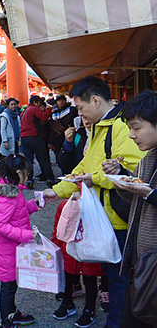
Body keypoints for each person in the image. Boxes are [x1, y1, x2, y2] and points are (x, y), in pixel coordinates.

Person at [43, 76, 146, 328]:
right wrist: (56, 191)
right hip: (106, 216)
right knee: (114, 278)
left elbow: (133, 170)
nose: (80, 113)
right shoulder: (103, 126)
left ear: (96, 100)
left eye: (80, 107)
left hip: (120, 218)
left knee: (120, 280)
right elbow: (83, 168)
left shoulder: (120, 125)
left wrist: (94, 178)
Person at [104, 90, 157, 327]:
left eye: (136, 128)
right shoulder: (149, 157)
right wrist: (122, 176)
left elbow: (148, 193)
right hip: (143, 260)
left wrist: (150, 195)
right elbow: (137, 186)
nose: (132, 136)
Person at [0, 154, 39, 328]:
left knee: (10, 286)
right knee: (8, 287)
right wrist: (27, 235)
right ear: (18, 172)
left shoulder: (10, 190)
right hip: (7, 252)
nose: (28, 178)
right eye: (27, 174)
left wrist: (35, 204)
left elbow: (17, 212)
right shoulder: (8, 195)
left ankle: (12, 314)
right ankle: (6, 322)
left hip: (9, 250)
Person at [50, 199, 103, 327]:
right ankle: (68, 302)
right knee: (68, 274)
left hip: (89, 247)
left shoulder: (98, 207)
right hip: (69, 247)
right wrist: (55, 246)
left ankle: (89, 310)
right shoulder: (65, 205)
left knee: (89, 277)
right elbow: (58, 227)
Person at [20, 95, 54, 188]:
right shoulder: (33, 109)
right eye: (39, 103)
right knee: (43, 158)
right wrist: (48, 109)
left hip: (24, 137)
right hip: (34, 137)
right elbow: (44, 117)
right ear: (36, 102)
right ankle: (50, 179)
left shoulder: (24, 111)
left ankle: (29, 180)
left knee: (28, 160)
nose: (40, 105)